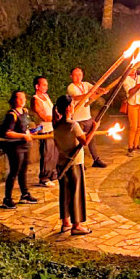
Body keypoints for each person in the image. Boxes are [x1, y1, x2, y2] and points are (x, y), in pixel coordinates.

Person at [53, 94, 99, 235]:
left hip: (61, 162)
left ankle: (65, 222)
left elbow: (57, 143)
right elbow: (85, 141)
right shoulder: (73, 125)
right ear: (68, 108)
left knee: (65, 193)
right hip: (74, 164)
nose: (73, 106)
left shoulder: (56, 125)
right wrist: (94, 129)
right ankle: (76, 225)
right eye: (72, 104)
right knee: (76, 193)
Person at [0, 91, 37, 209]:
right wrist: (23, 136)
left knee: (23, 170)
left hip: (25, 145)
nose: (23, 100)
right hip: (15, 147)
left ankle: (24, 194)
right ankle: (7, 199)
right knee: (14, 171)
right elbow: (8, 133)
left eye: (24, 98)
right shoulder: (12, 115)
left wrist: (31, 132)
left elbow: (26, 127)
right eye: (20, 98)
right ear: (14, 100)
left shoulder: (25, 112)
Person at [67, 68, 108, 168]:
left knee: (91, 138)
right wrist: (89, 95)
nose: (78, 77)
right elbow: (76, 97)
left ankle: (96, 159)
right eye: (75, 75)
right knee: (78, 141)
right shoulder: (71, 87)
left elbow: (95, 88)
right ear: (71, 76)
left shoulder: (86, 84)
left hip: (87, 117)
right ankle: (79, 162)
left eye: (80, 74)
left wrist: (101, 90)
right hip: (76, 118)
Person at [31, 76, 58, 187]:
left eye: (46, 84)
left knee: (54, 153)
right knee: (46, 154)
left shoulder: (46, 96)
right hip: (44, 130)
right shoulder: (35, 99)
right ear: (37, 86)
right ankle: (44, 178)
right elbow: (43, 116)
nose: (46, 87)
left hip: (52, 128)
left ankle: (53, 174)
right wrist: (57, 117)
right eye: (44, 85)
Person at [123, 66, 140, 156]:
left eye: (134, 69)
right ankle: (130, 147)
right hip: (132, 104)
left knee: (139, 126)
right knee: (133, 126)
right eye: (131, 69)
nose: (133, 71)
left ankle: (136, 145)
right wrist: (138, 86)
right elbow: (130, 91)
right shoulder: (126, 80)